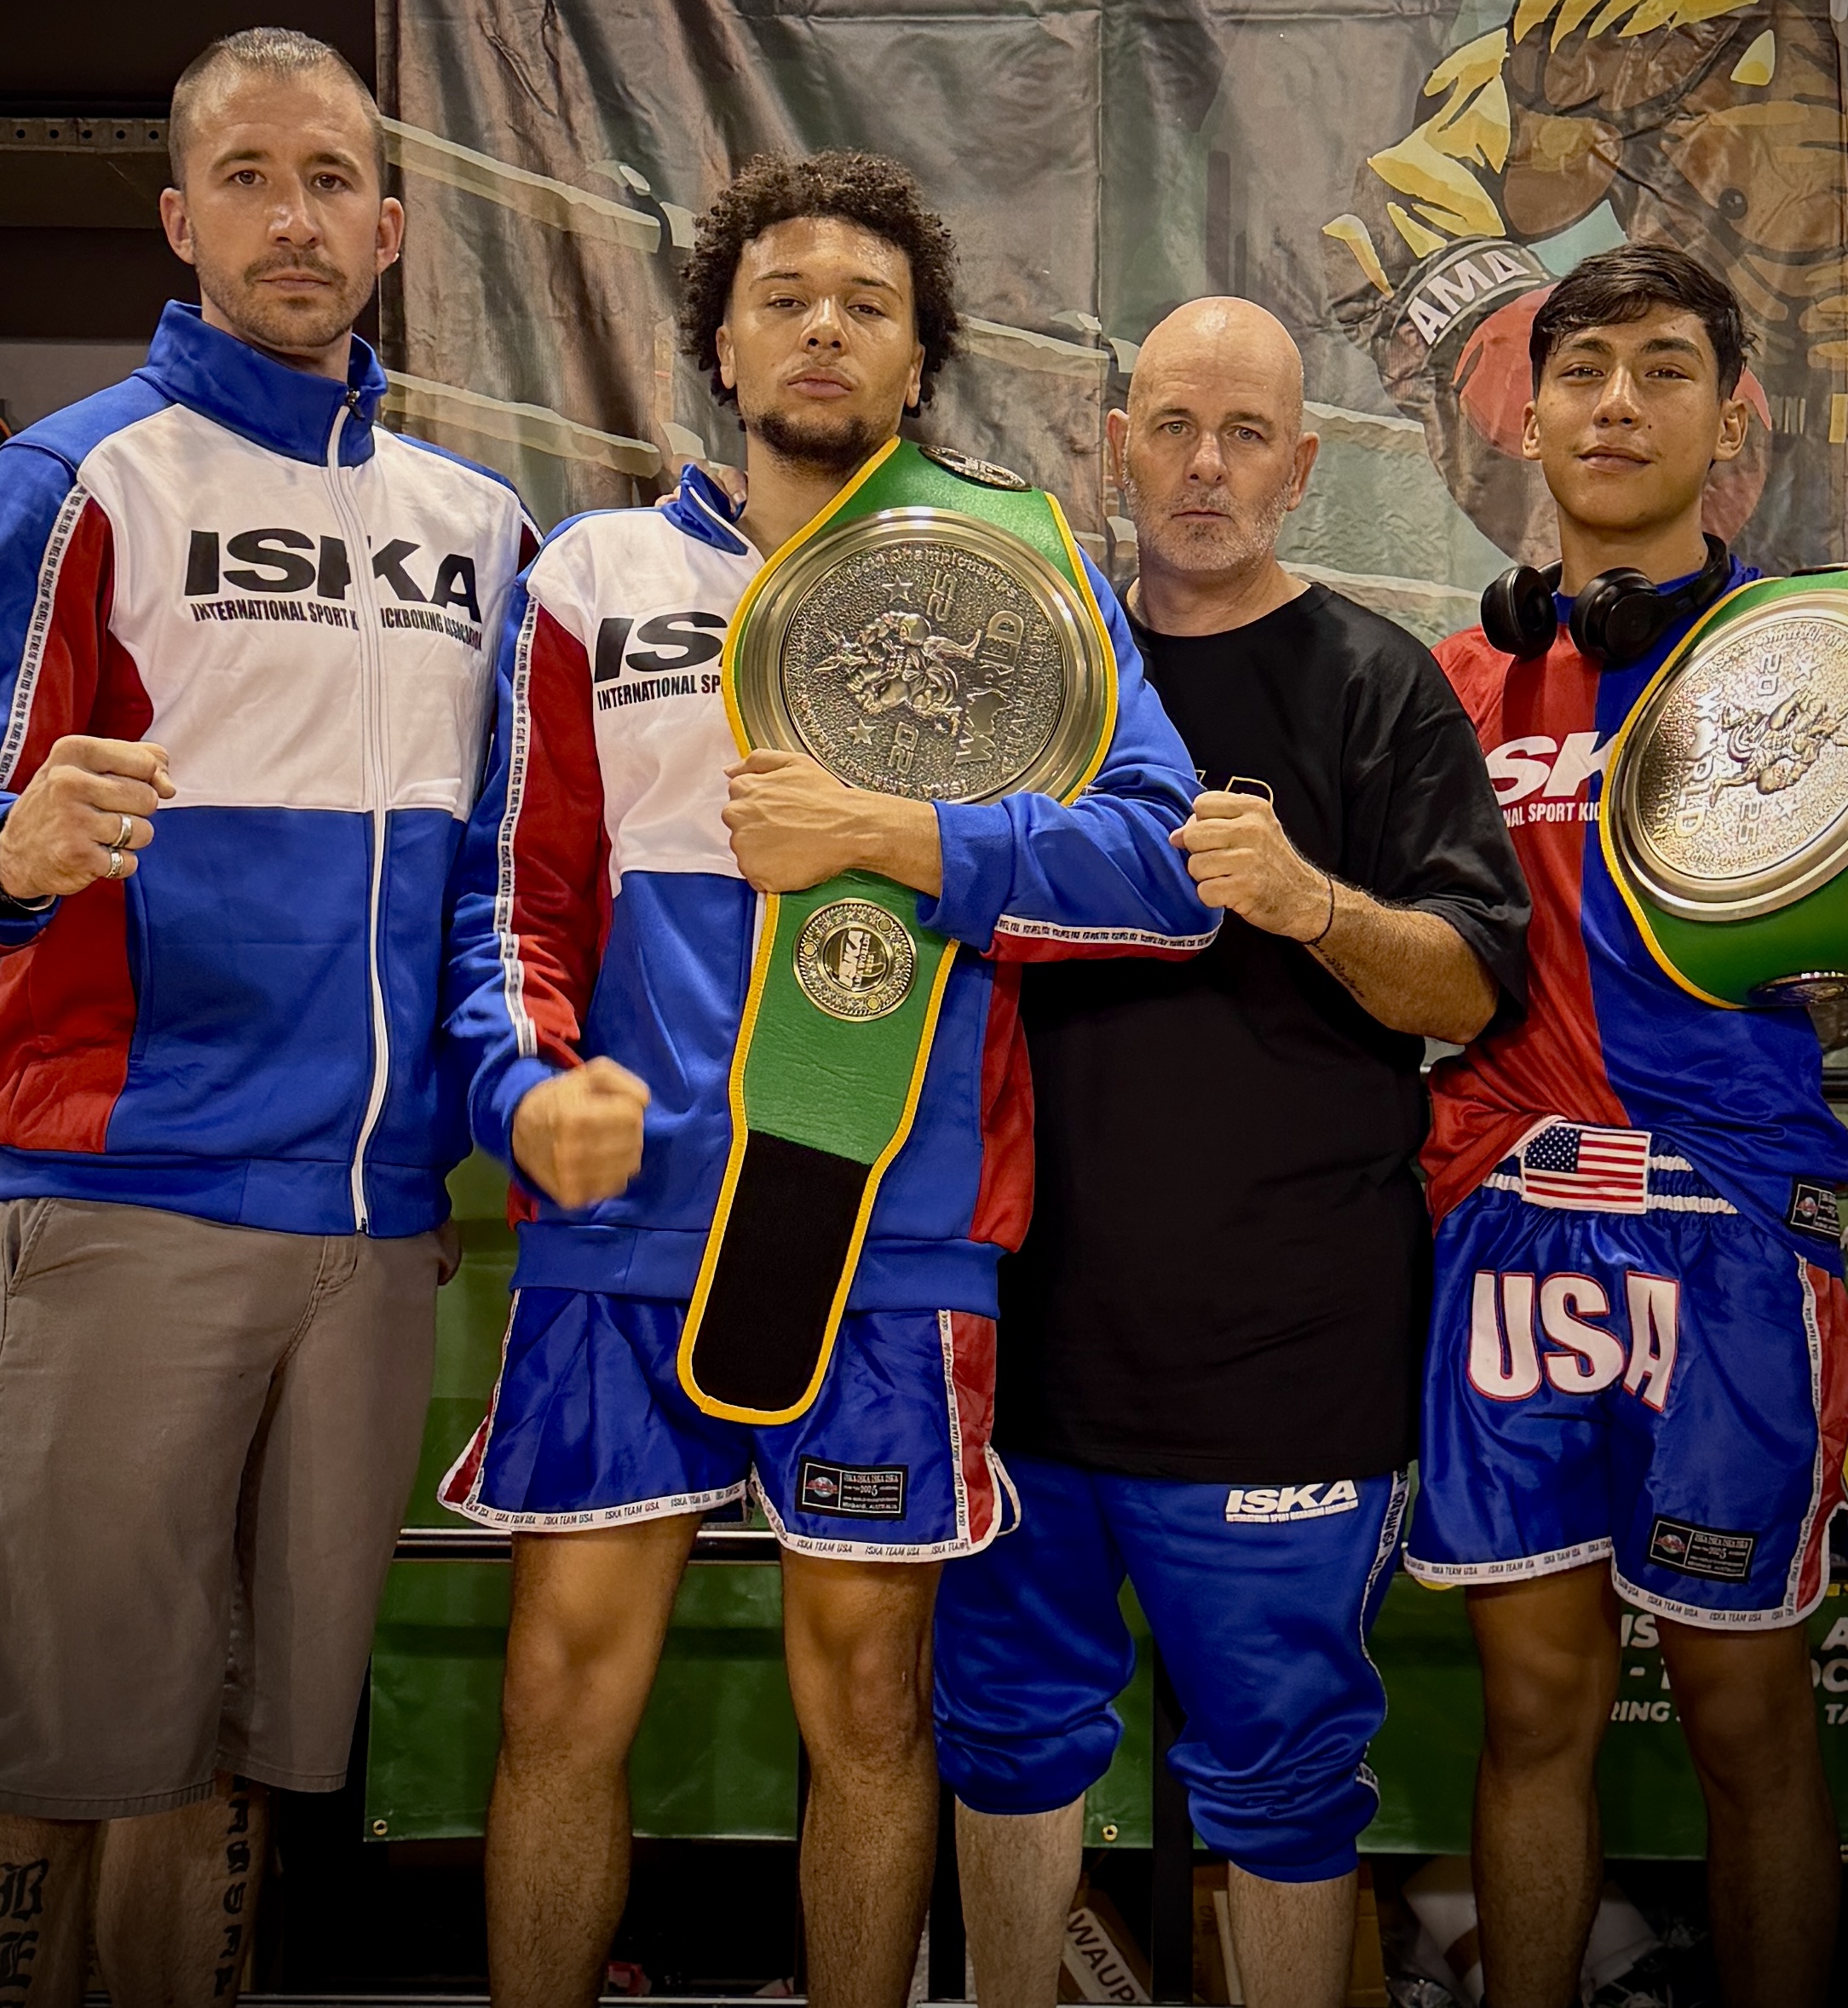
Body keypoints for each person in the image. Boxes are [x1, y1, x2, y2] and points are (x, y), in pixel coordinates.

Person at [439, 152, 1215, 2008]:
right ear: (716, 341)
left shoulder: (1016, 575)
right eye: (780, 298)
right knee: (558, 1694)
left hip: (889, 1221)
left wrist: (902, 834)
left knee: (870, 1706)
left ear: (917, 357)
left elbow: (1165, 873)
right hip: (630, 1221)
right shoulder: (594, 575)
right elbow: (512, 898)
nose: (820, 330)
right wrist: (520, 1091)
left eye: (867, 306)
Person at [0, 28, 532, 2005]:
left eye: (328, 179)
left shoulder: (480, 528)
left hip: (375, 1234)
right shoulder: (74, 482)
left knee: (245, 1755)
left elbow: (494, 886)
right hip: (128, 1187)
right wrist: (7, 856)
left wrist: (486, 1114)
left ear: (387, 228)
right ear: (177, 218)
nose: (291, 217)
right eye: (246, 176)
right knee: (62, 1749)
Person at [932, 296, 1529, 2008]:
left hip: (1282, 1352)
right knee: (1005, 1742)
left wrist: (1309, 903)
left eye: (1244, 433)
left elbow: (1469, 982)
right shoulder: (1025, 672)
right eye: (1174, 428)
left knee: (1281, 1775)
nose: (1205, 466)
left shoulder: (1372, 683)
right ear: (1113, 446)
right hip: (1019, 1330)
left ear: (1300, 465)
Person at [1409, 242, 1848, 2008]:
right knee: (1531, 1707)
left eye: (1662, 368)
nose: (1614, 404)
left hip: (1734, 1225)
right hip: (1507, 1215)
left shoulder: (1802, 666)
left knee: (1744, 1708)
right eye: (1580, 370)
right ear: (1526, 415)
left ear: (1728, 413)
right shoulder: (1452, 678)